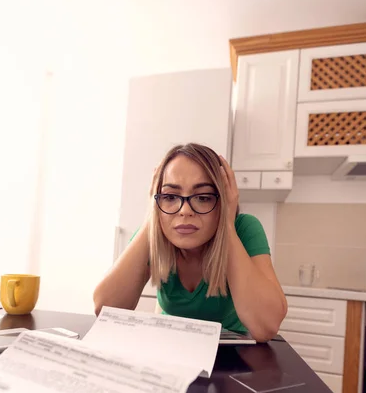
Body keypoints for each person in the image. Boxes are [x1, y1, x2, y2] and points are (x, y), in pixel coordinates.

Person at [94, 143, 287, 342]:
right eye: (169, 196)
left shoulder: (244, 228)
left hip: (231, 352)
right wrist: (152, 217)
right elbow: (105, 309)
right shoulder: (157, 231)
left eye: (203, 197)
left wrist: (227, 226)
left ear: (224, 200)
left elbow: (267, 326)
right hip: (171, 345)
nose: (184, 211)